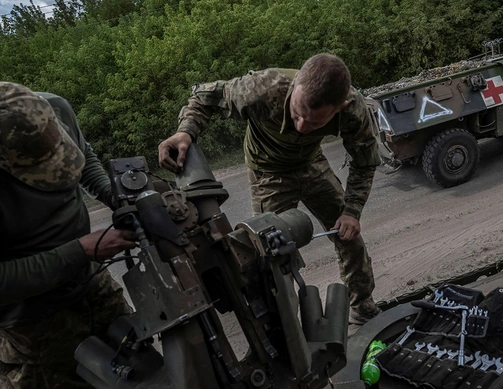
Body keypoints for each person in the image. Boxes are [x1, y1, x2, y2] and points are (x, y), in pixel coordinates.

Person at [158, 53, 381, 324]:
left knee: (348, 235)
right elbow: (204, 97)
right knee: (271, 255)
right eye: (297, 114)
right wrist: (186, 131)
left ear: (340, 107)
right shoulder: (263, 88)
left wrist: (352, 211)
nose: (301, 126)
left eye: (314, 123)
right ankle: (287, 331)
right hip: (268, 174)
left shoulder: (353, 110)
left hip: (311, 164)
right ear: (296, 83)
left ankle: (363, 308)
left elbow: (365, 162)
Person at [0, 81, 136, 388]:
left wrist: (118, 198)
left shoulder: (52, 109)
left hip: (92, 287)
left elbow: (84, 161)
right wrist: (81, 251)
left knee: (139, 368)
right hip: (33, 325)